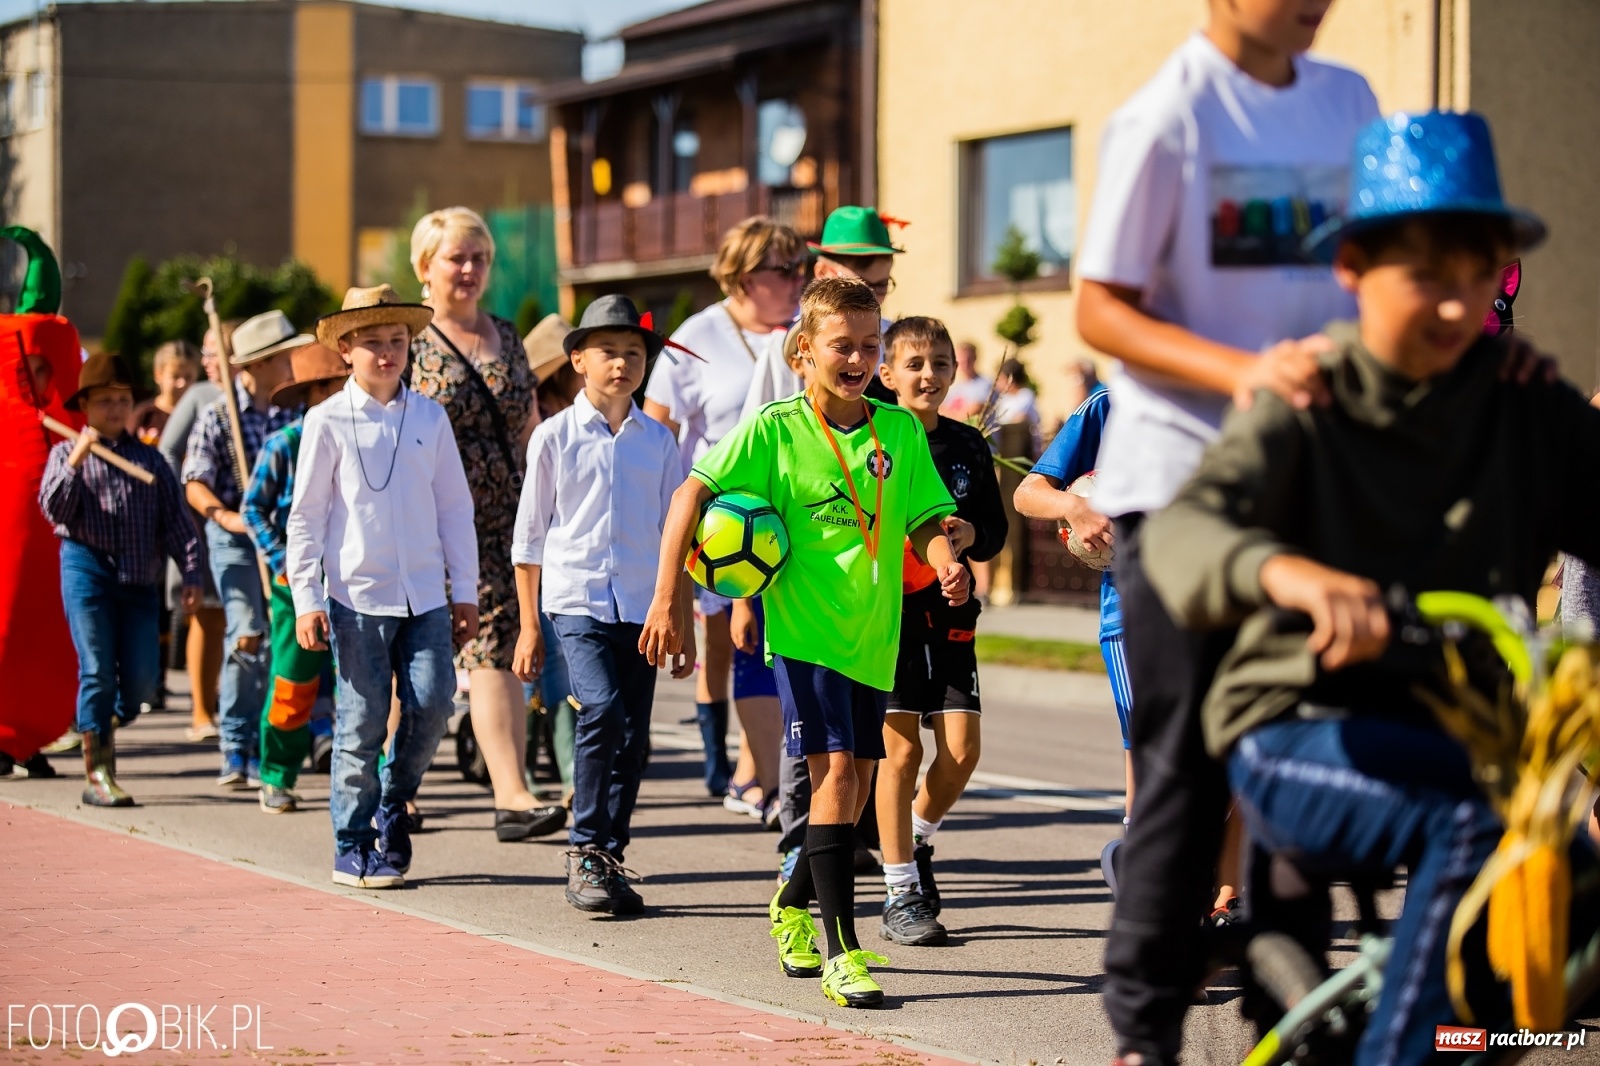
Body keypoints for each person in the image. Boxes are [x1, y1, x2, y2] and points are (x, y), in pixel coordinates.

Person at [1140, 109, 1582, 1066]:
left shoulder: (1524, 404)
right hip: (1296, 727)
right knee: (1480, 820)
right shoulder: (1311, 395)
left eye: (1481, 276)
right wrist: (1282, 570)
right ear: (1354, 272)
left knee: (1574, 897)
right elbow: (1184, 533)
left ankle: (1463, 1040)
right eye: (1428, 276)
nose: (1461, 306)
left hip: (1461, 728)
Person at [1071, 3, 1382, 1058]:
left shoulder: (1347, 101)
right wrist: (1242, 371)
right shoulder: (1168, 117)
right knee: (1190, 769)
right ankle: (1142, 1031)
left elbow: (1372, 272)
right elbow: (1100, 310)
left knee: (1304, 761)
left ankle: (1285, 1014)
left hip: (1311, 488)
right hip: (1180, 490)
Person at [643, 277, 967, 1008]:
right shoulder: (774, 430)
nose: (855, 359)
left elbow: (925, 517)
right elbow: (688, 495)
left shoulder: (901, 432)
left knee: (845, 801)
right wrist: (667, 597)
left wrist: (946, 562)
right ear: (803, 351)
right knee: (840, 784)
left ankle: (790, 900)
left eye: (868, 346)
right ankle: (843, 953)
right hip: (804, 634)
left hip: (872, 635)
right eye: (841, 345)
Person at [287, 285, 478, 889]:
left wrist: (465, 589)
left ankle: (394, 798)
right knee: (362, 719)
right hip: (355, 598)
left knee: (434, 701)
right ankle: (353, 839)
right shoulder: (324, 422)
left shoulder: (430, 416)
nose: (387, 352)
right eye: (372, 342)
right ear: (346, 349)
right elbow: (306, 516)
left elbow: (455, 509)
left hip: (425, 595)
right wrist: (306, 598)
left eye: (397, 341)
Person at [511, 295, 691, 914]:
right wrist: (529, 626)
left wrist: (682, 618)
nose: (621, 363)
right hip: (575, 602)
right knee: (603, 708)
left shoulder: (659, 443)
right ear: (578, 360)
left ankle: (609, 858)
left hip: (641, 607)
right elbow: (530, 538)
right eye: (607, 352)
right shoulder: (554, 437)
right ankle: (584, 847)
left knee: (634, 736)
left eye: (633, 353)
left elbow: (677, 535)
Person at [406, 207, 562, 841]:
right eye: (456, 258)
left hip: (503, 521)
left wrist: (543, 503)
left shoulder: (507, 334)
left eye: (479, 258)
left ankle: (512, 795)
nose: (469, 269)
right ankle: (398, 786)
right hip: (431, 521)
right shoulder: (409, 343)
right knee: (418, 655)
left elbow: (526, 426)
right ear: (424, 267)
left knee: (499, 650)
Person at [644, 217, 803, 816]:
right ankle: (727, 759)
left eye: (798, 268)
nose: (795, 280)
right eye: (781, 270)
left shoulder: (801, 332)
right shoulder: (699, 334)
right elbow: (659, 430)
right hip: (716, 513)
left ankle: (752, 765)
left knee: (758, 638)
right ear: (741, 276)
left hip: (786, 511)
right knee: (719, 636)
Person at [872, 316, 1007, 946]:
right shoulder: (873, 436)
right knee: (901, 752)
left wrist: (966, 535)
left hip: (952, 612)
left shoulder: (967, 443)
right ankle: (899, 892)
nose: (930, 376)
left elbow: (994, 527)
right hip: (890, 615)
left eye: (942, 364)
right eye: (916, 364)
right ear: (888, 372)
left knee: (961, 753)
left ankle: (916, 839)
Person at [38, 353, 202, 806]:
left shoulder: (149, 460)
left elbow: (177, 523)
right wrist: (76, 459)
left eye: (122, 400)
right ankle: (99, 776)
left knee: (139, 684)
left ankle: (100, 722)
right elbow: (53, 509)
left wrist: (191, 572)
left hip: (137, 580)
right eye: (104, 401)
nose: (114, 409)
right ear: (85, 406)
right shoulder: (63, 453)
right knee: (96, 670)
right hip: (87, 571)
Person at [1012, 382, 1133, 890]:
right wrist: (1074, 507)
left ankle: (1224, 897)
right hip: (1136, 611)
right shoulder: (1109, 405)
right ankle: (1145, 853)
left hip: (1223, 606)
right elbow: (1028, 493)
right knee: (1156, 749)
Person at [183, 311, 302, 787]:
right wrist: (225, 516)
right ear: (258, 364)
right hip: (233, 537)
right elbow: (195, 481)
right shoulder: (217, 414)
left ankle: (263, 740)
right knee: (247, 632)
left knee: (279, 639)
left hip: (280, 536)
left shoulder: (296, 413)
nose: (291, 364)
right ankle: (234, 745)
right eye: (282, 358)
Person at [241, 342, 348, 814]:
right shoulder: (284, 443)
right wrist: (284, 560)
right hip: (295, 586)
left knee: (362, 687)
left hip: (354, 579)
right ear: (314, 392)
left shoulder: (363, 439)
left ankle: (372, 782)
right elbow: (253, 508)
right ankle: (277, 775)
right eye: (338, 386)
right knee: (293, 684)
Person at [159, 324, 228, 744]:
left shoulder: (262, 395)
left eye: (214, 351)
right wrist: (179, 498)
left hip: (247, 520)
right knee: (206, 614)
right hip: (200, 521)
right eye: (204, 353)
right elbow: (168, 449)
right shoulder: (200, 396)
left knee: (241, 619)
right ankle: (202, 709)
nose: (207, 362)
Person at [522, 312, 580, 803]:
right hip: (531, 548)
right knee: (532, 661)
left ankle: (568, 777)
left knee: (557, 667)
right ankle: (526, 771)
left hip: (564, 553)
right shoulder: (536, 420)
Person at [132, 340, 200, 445]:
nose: (182, 383)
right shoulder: (143, 415)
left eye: (188, 377)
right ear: (158, 375)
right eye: (175, 376)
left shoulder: (200, 416)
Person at [941, 341, 992, 420]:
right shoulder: (954, 387)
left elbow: (970, 414)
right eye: (961, 360)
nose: (965, 364)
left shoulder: (985, 385)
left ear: (975, 358)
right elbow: (939, 410)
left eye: (968, 360)